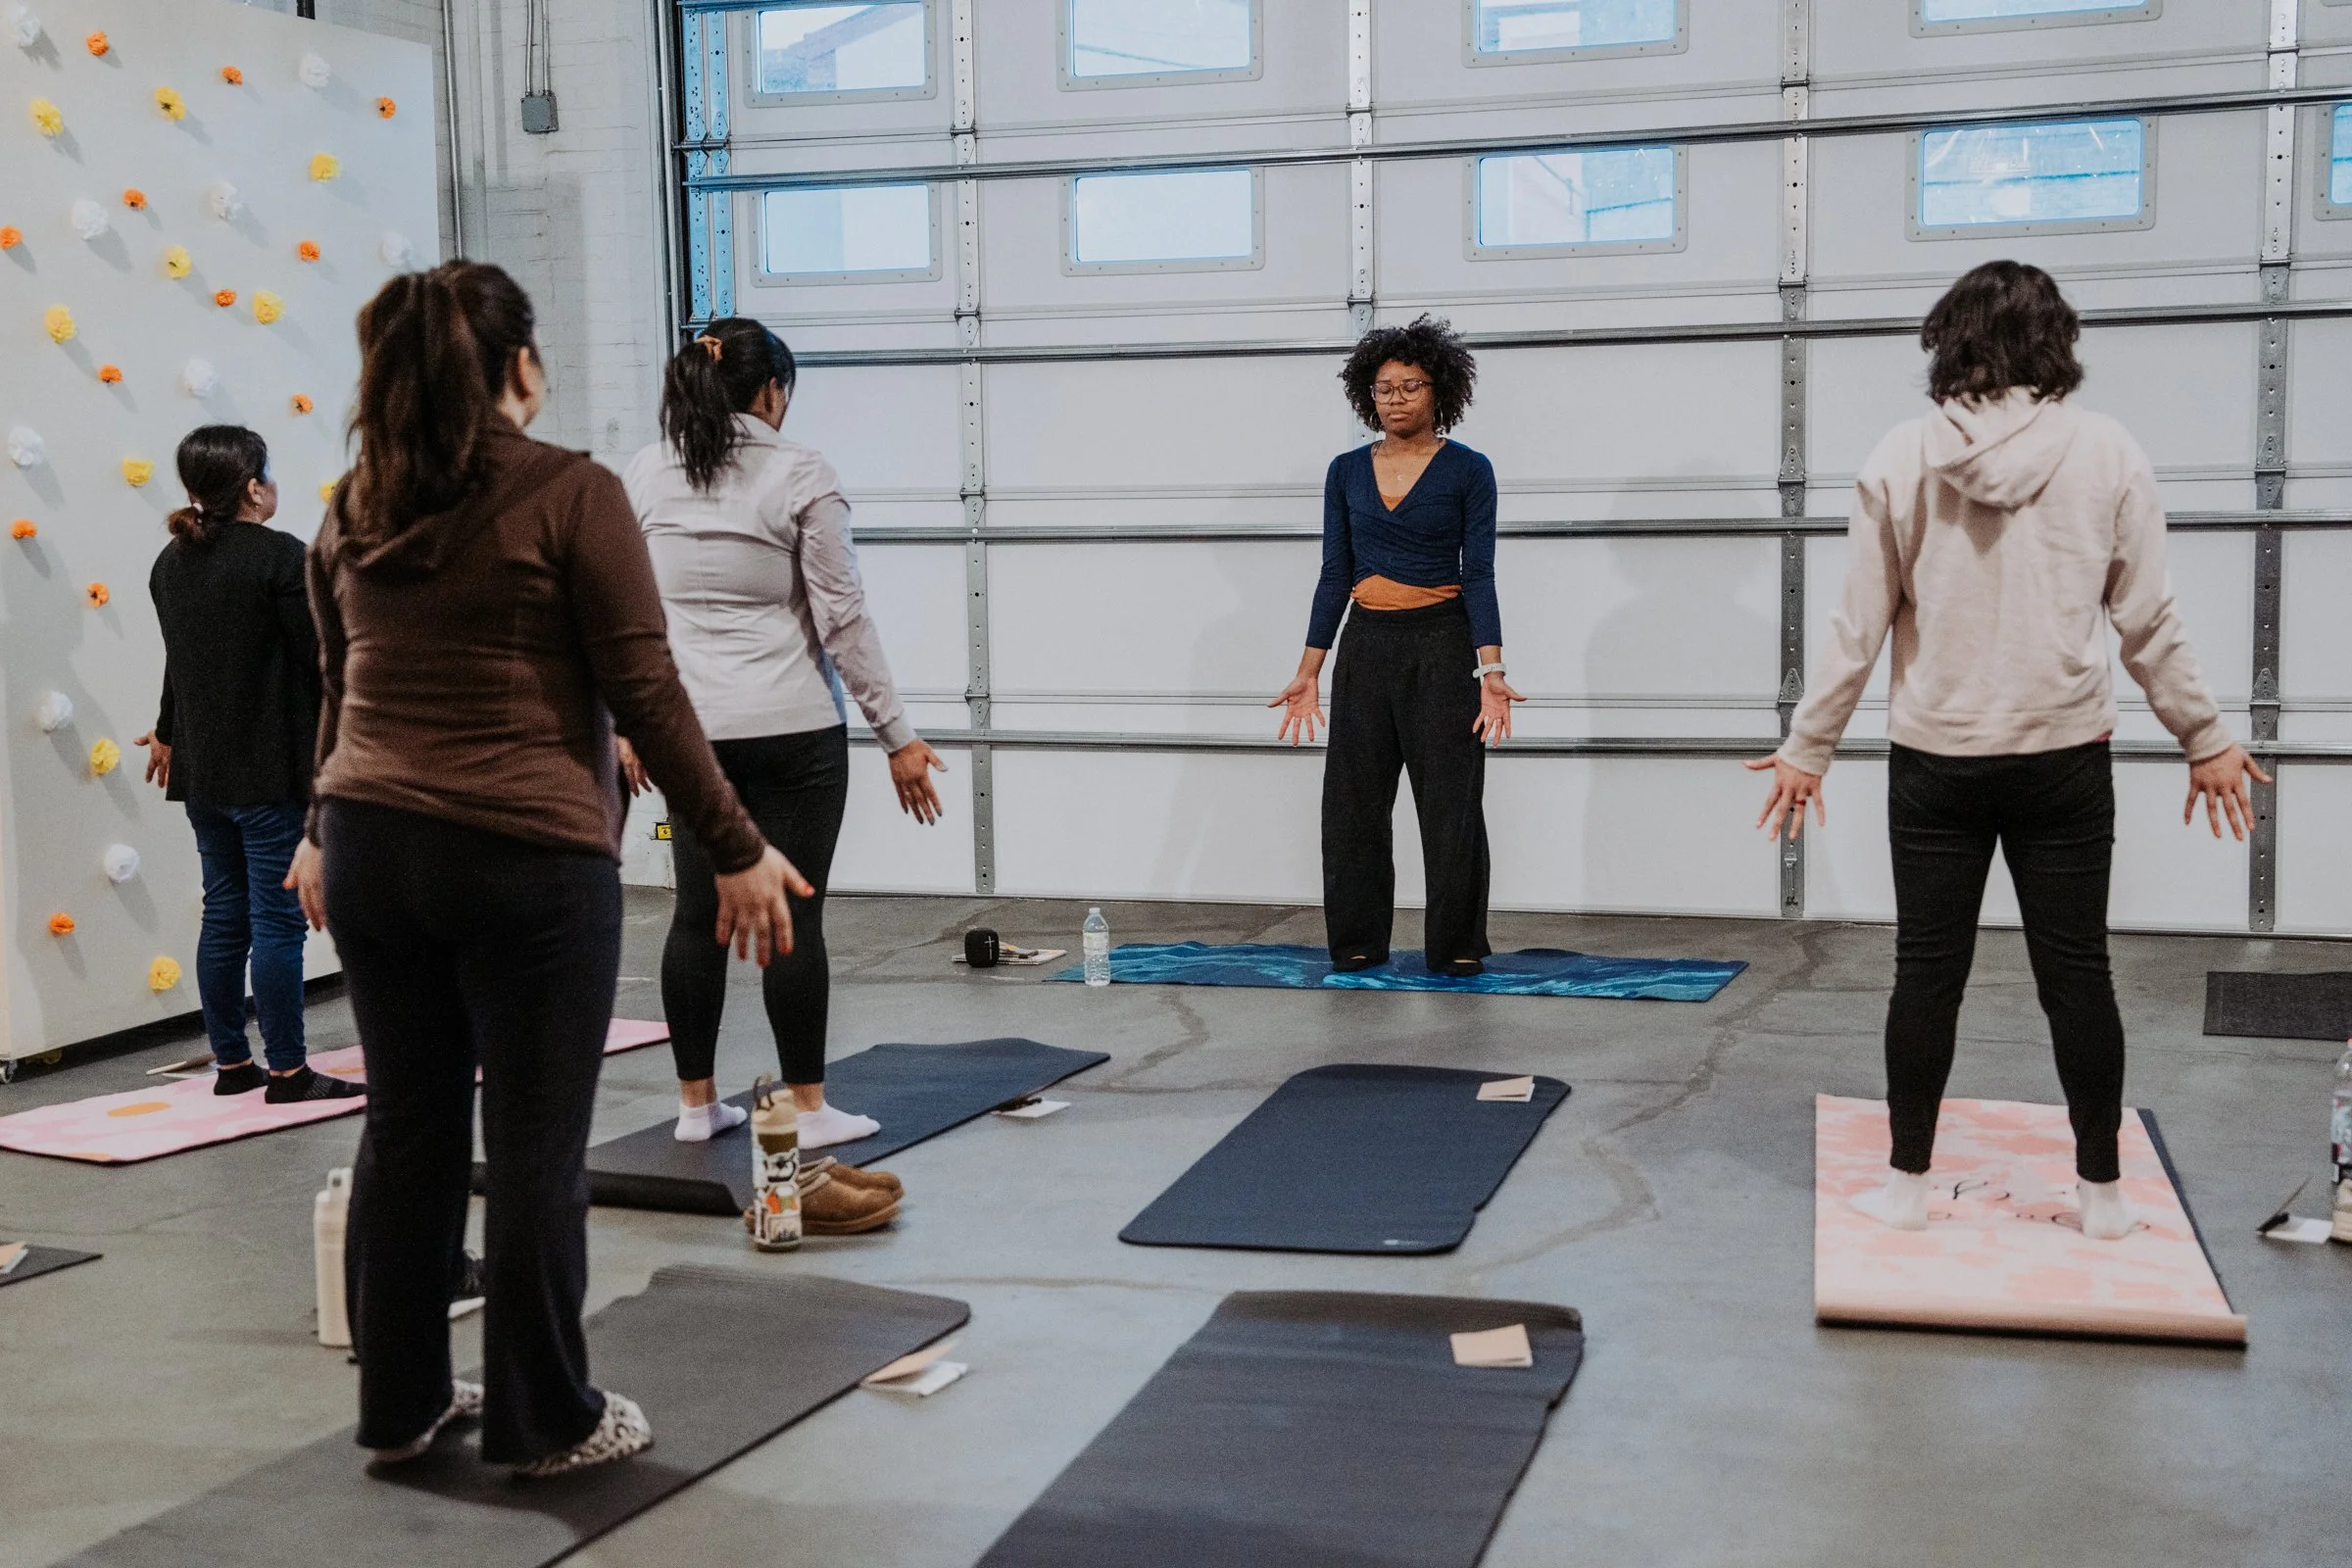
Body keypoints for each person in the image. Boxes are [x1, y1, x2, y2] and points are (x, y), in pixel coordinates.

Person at [288, 262, 802, 1477]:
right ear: (520, 366)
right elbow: (646, 690)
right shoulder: (570, 490)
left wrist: (319, 825)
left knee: (408, 1129)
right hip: (524, 858)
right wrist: (737, 846)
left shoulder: (348, 507)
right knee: (530, 1142)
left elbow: (336, 687)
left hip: (370, 850)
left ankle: (402, 1407)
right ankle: (545, 1421)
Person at [1746, 260, 2270, 1241]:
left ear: (1948, 341)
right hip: (2063, 753)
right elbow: (2147, 619)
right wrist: (2206, 736)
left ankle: (1906, 1184)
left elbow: (1859, 624)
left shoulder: (1903, 455)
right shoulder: (2109, 451)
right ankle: (2103, 1195)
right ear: (2056, 343)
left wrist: (1806, 747)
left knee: (1925, 972)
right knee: (2080, 974)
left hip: (1936, 758)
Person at [619, 317, 945, 1196]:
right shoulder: (800, 473)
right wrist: (898, 736)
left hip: (690, 736)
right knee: (794, 909)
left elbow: (628, 616)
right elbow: (843, 618)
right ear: (773, 392)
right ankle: (808, 1104)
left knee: (697, 914)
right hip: (792, 729)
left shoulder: (648, 472)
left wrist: (628, 725)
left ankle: (696, 1107)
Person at [1269, 316, 1523, 975]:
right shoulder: (1346, 471)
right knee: (1352, 805)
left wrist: (1490, 668)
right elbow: (1334, 574)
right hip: (1366, 646)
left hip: (1443, 646)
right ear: (1367, 395)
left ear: (1440, 391)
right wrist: (1308, 671)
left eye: (1410, 386)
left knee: (1451, 805)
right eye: (1384, 389)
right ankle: (1355, 942)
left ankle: (1457, 946)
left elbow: (1480, 574)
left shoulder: (1469, 470)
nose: (1397, 399)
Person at [133, 427, 357, 1103]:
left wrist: (171, 733)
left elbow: (179, 663)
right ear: (254, 487)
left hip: (204, 777)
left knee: (225, 916)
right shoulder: (281, 558)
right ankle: (288, 1071)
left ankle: (233, 1065)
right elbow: (324, 663)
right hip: (269, 774)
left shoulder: (170, 563)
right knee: (278, 921)